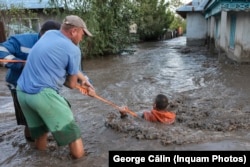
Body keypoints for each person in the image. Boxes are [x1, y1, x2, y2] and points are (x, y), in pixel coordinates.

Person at [16, 15, 95, 159]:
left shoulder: (49, 34)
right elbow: (71, 84)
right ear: (74, 31)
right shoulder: (73, 49)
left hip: (22, 93)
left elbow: (55, 62)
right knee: (72, 133)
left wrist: (84, 79)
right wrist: (79, 84)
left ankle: (42, 160)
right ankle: (81, 160)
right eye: (82, 34)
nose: (82, 38)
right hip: (42, 94)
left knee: (41, 133)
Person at [0, 20, 61, 141]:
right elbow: (1, 51)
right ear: (42, 34)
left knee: (47, 117)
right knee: (29, 120)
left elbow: (71, 69)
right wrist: (22, 64)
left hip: (44, 87)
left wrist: (84, 82)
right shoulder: (22, 41)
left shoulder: (59, 46)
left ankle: (39, 143)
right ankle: (32, 144)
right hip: (19, 86)